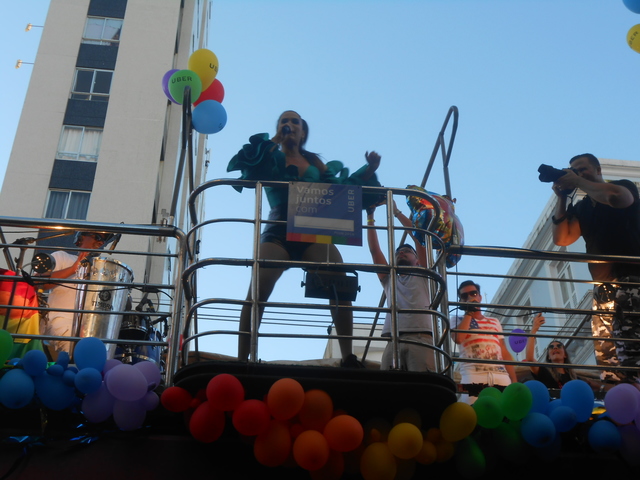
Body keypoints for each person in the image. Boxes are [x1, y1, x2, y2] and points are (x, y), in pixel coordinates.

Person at [227, 110, 381, 366]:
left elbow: (341, 190)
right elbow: (256, 166)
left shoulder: (318, 166)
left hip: (313, 231)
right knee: (258, 288)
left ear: (303, 131)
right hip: (278, 229)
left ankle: (348, 357)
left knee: (340, 282)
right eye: (283, 121)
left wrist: (369, 170)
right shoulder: (271, 155)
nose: (289, 125)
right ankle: (243, 358)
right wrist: (276, 139)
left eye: (294, 121)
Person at [551, 153, 640, 386]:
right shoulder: (582, 207)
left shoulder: (621, 187)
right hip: (603, 289)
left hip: (631, 281)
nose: (579, 174)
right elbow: (562, 238)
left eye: (583, 169)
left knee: (633, 353)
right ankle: (621, 403)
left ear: (597, 169)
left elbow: (619, 199)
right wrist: (561, 198)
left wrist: (578, 182)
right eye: (574, 171)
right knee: (608, 360)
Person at [366, 202, 435, 372]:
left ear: (417, 259)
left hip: (421, 337)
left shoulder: (423, 273)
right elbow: (375, 251)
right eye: (398, 253)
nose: (401, 253)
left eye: (406, 251)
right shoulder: (389, 278)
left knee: (422, 388)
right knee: (390, 391)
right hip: (393, 340)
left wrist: (396, 212)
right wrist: (370, 217)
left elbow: (419, 238)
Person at [39, 232, 107, 360]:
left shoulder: (99, 273)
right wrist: (74, 268)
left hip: (88, 327)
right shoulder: (62, 257)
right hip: (61, 320)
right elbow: (38, 282)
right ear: (81, 238)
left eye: (103, 241)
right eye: (97, 237)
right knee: (73, 346)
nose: (101, 242)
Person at [453, 280, 517, 402]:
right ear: (461, 301)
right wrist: (469, 313)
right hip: (473, 375)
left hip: (500, 376)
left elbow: (504, 351)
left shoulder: (494, 321)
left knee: (503, 414)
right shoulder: (456, 320)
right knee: (474, 415)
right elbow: (459, 338)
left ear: (480, 297)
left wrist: (513, 380)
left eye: (473, 293)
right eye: (464, 296)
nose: (470, 297)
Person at [525, 313, 577, 389]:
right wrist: (534, 329)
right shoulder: (544, 372)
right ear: (548, 357)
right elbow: (529, 359)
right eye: (551, 347)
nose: (555, 348)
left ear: (565, 354)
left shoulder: (574, 378)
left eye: (559, 346)